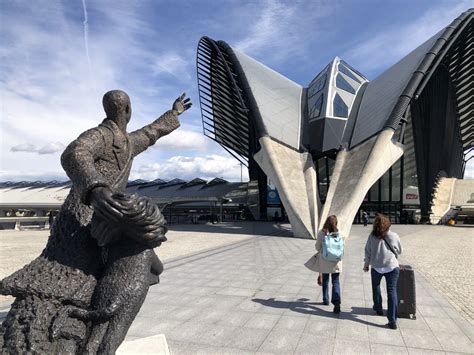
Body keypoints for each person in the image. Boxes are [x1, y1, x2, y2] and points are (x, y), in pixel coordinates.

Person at [0, 90, 191, 352]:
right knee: (69, 268)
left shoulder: (126, 142)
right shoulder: (100, 135)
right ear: (128, 110)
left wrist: (173, 114)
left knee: (126, 265)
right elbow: (74, 153)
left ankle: (92, 326)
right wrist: (95, 187)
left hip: (110, 217)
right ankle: (50, 321)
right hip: (83, 212)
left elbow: (151, 133)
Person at [363, 213, 402, 330]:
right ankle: (392, 320)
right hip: (391, 266)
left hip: (376, 267)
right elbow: (399, 251)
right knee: (392, 291)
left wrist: (366, 265)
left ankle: (378, 308)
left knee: (376, 287)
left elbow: (367, 251)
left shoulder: (372, 236)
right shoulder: (393, 235)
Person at [315, 215, 343, 313]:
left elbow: (317, 247)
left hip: (325, 260)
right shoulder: (339, 233)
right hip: (336, 261)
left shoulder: (321, 233)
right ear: (336, 223)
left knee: (325, 280)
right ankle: (337, 303)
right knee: (335, 281)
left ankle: (325, 299)